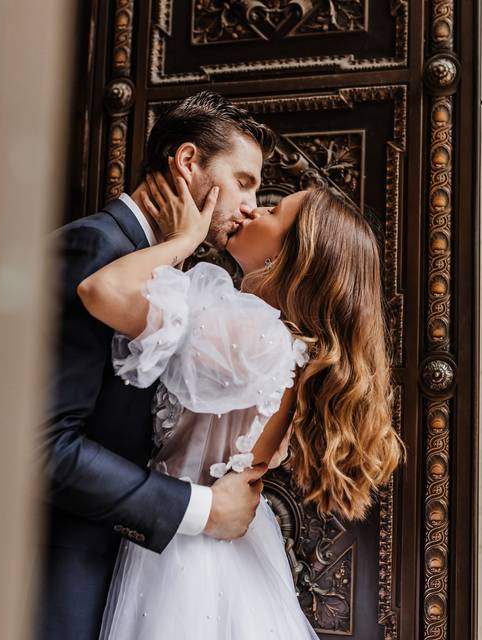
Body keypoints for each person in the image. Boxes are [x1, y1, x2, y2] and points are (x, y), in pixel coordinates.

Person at [78, 169, 405, 638]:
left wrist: (183, 239)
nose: (254, 208)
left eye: (274, 212)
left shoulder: (250, 337)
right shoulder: (294, 349)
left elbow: (101, 291)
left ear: (295, 256)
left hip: (183, 556)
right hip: (233, 550)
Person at [38, 92, 276, 640]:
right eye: (243, 181)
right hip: (60, 574)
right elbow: (44, 445)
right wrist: (199, 511)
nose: (250, 203)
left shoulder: (164, 268)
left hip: (125, 574)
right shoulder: (94, 249)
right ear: (188, 161)